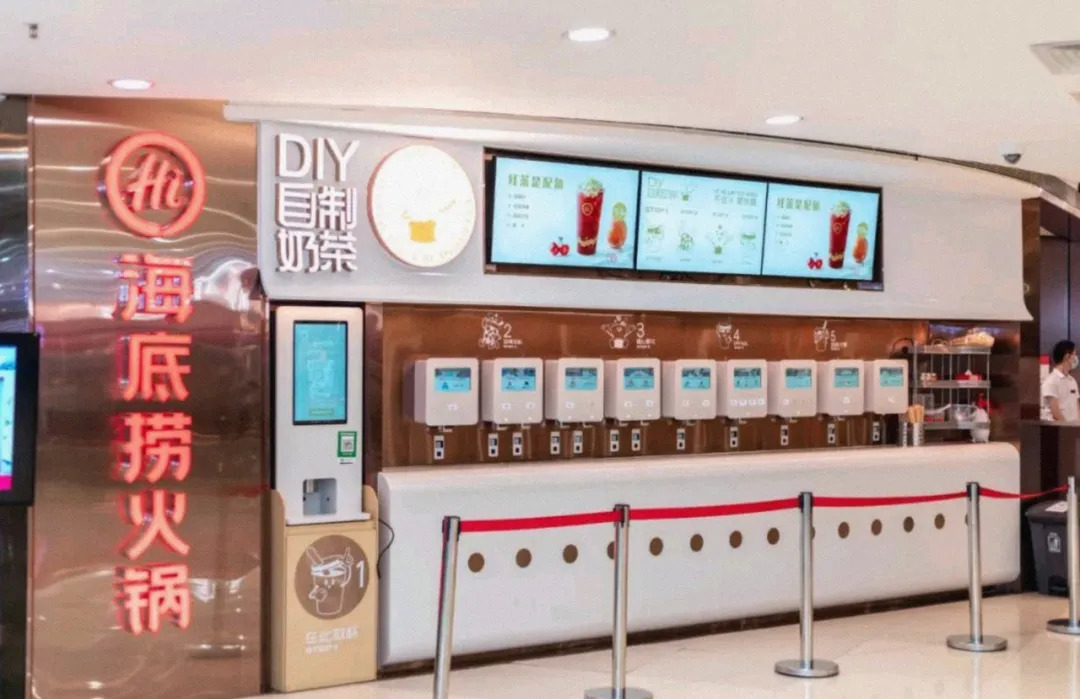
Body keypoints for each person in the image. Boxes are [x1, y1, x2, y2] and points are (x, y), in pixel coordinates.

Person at [1042, 340, 1080, 422]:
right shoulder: (1051, 381)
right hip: (1060, 428)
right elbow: (1055, 412)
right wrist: (1067, 427)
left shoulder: (1072, 381)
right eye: (1074, 354)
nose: (1076, 358)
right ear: (1067, 356)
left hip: (1073, 427)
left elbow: (1076, 407)